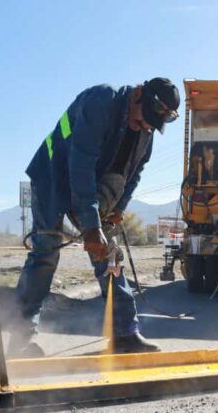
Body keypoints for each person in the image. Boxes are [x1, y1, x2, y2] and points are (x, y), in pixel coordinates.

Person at [9, 78, 180, 356]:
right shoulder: (101, 101)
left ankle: (125, 334)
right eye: (142, 120)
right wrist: (90, 225)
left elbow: (132, 176)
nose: (144, 127)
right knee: (46, 252)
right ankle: (19, 339)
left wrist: (116, 210)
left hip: (91, 186)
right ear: (138, 94)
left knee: (110, 255)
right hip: (53, 175)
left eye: (150, 125)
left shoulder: (145, 135)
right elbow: (81, 164)